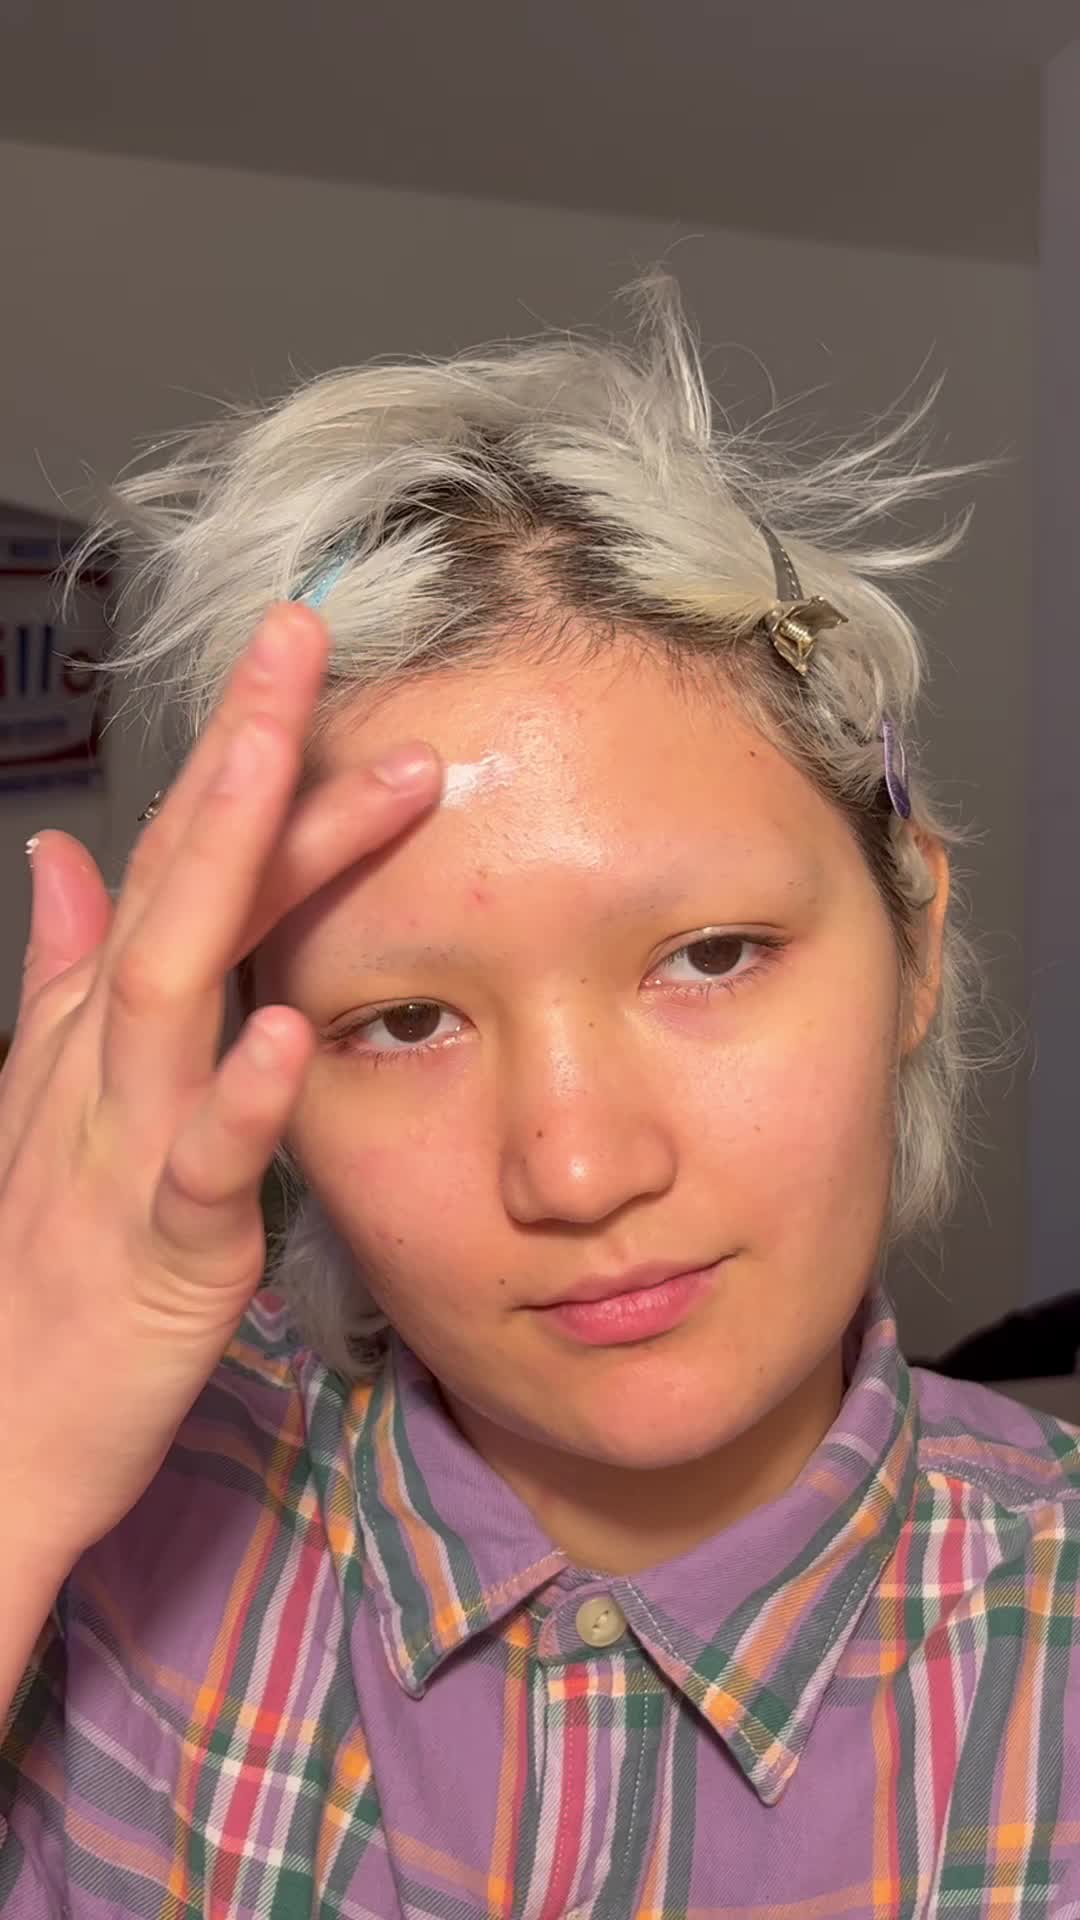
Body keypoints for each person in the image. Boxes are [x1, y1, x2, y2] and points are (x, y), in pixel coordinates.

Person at [0, 278, 1076, 1920]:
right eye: (405, 1020)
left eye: (710, 956)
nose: (576, 1168)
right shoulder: (101, 1519)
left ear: (915, 935)